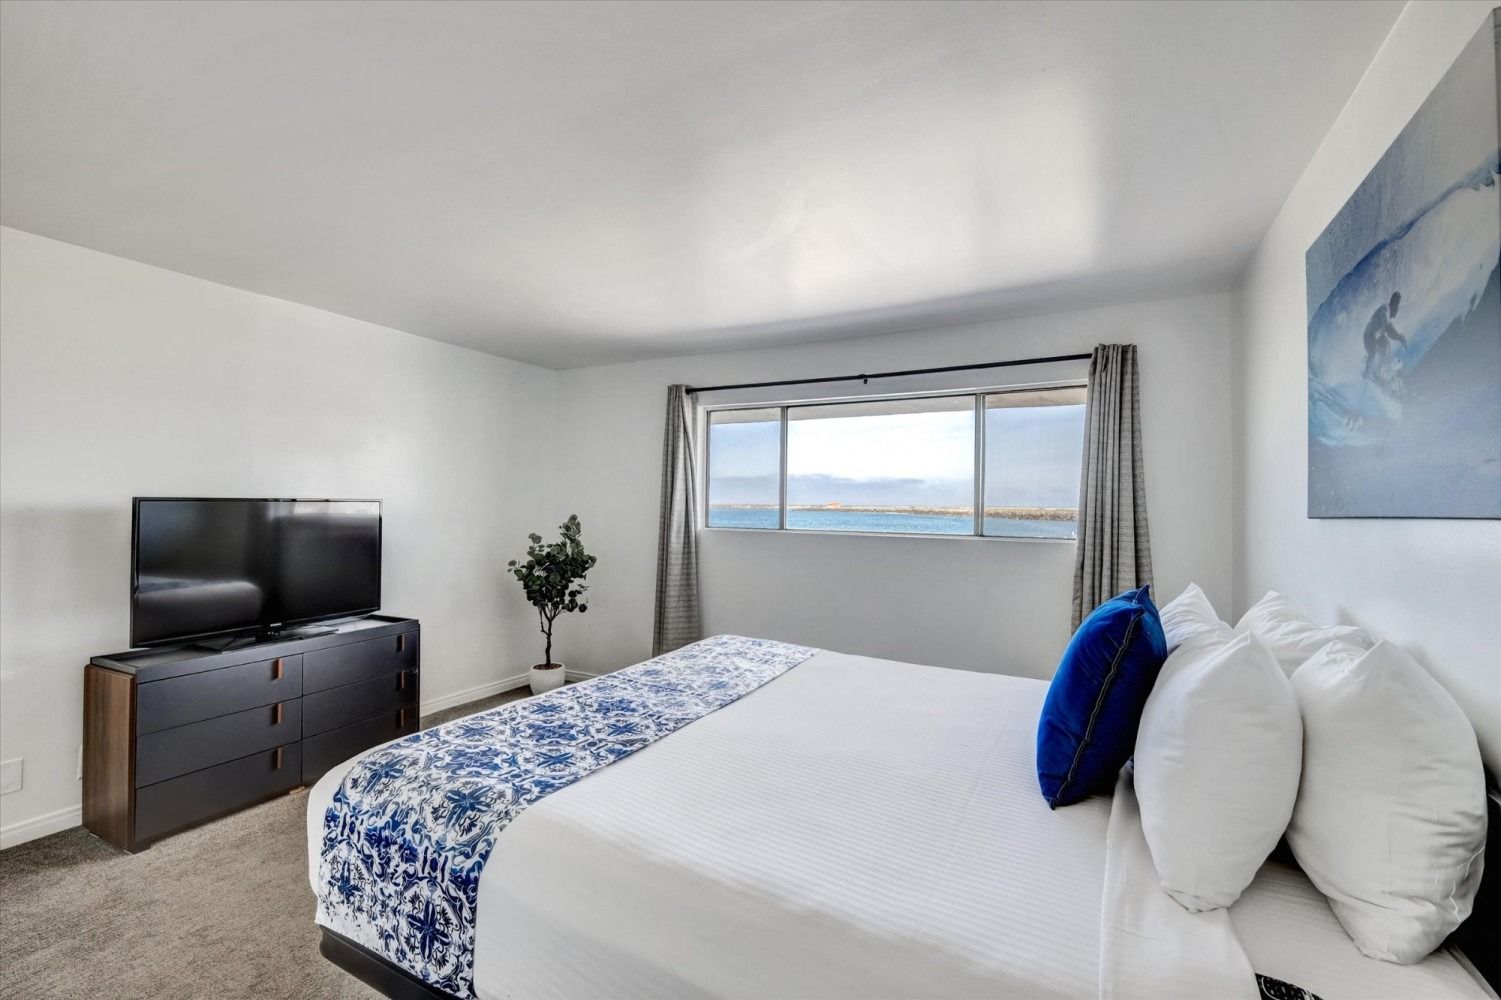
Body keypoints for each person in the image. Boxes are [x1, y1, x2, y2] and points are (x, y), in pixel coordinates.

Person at [1362, 291, 1408, 381]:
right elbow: (1388, 329)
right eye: (1397, 304)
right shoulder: (1384, 310)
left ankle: (1377, 371)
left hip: (1374, 338)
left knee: (1385, 342)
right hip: (1368, 337)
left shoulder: (1387, 311)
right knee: (1372, 353)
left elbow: (1389, 328)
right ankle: (1366, 374)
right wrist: (1400, 337)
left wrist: (1399, 337)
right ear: (1394, 303)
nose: (1398, 308)